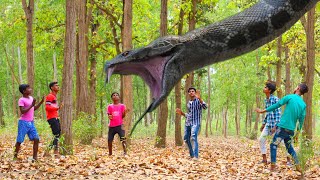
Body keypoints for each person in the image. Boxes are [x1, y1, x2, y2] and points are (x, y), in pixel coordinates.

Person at [256, 83, 308, 171]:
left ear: (298, 88)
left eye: (296, 86)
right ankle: (298, 164)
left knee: (273, 144)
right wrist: (298, 133)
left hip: (282, 127)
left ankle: (272, 167)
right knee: (289, 147)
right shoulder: (303, 104)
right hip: (291, 130)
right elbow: (301, 120)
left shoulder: (290, 97)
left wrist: (263, 111)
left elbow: (277, 105)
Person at [258, 81, 291, 165]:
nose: (264, 88)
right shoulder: (266, 99)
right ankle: (264, 159)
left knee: (282, 143)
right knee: (261, 139)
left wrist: (276, 126)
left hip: (276, 125)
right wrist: (263, 123)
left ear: (269, 90)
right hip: (269, 124)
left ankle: (289, 160)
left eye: (265, 87)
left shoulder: (275, 99)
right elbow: (268, 112)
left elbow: (278, 114)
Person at [14, 84, 44, 161]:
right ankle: (15, 157)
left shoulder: (31, 98)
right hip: (23, 122)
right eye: (28, 88)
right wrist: (31, 105)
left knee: (36, 139)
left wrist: (41, 102)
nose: (30, 89)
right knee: (19, 140)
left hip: (31, 123)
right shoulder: (21, 100)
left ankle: (35, 158)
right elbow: (22, 111)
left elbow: (34, 108)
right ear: (24, 91)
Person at [176, 87, 207, 159]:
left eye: (193, 91)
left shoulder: (198, 101)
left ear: (195, 93)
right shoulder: (188, 103)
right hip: (188, 123)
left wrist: (200, 98)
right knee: (186, 139)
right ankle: (192, 155)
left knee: (193, 136)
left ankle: (196, 156)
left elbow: (205, 107)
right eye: (190, 91)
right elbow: (189, 114)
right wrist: (182, 113)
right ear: (188, 93)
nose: (191, 92)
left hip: (196, 123)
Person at [45, 82, 62, 157]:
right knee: (56, 134)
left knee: (57, 134)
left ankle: (48, 151)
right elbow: (47, 107)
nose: (58, 87)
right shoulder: (50, 96)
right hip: (51, 118)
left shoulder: (54, 97)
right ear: (52, 88)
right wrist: (57, 108)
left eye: (58, 85)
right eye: (56, 86)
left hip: (55, 117)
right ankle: (55, 152)